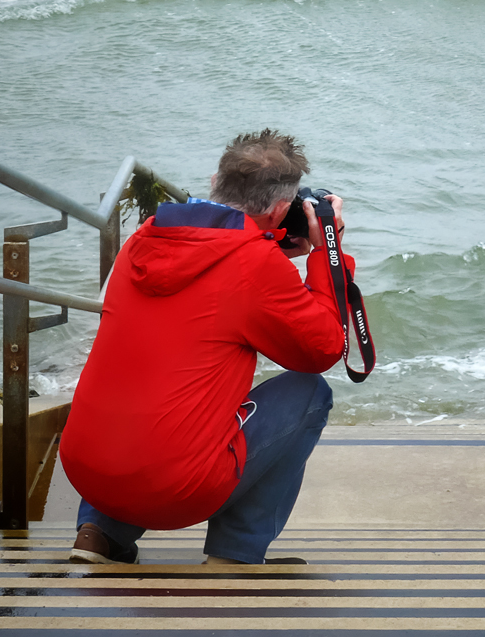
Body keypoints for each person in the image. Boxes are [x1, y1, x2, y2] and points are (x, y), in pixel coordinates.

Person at [59, 129, 353, 565]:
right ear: (278, 209)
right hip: (174, 490)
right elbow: (323, 349)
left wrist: (270, 248)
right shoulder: (254, 266)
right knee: (310, 392)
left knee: (147, 379)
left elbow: (217, 276)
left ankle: (98, 533)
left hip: (86, 471)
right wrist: (326, 251)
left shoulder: (145, 238)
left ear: (215, 179)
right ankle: (236, 555)